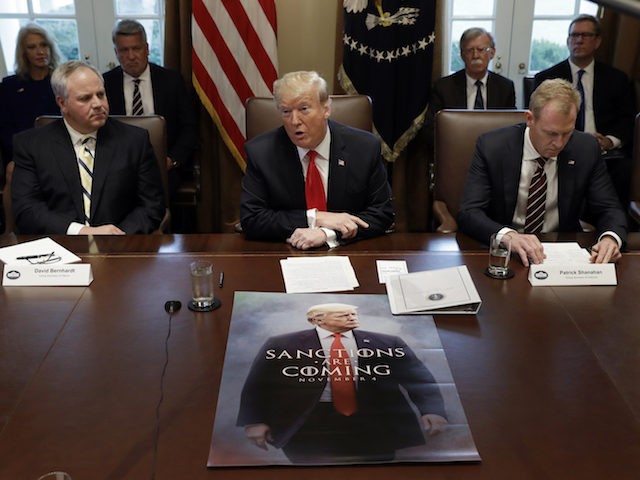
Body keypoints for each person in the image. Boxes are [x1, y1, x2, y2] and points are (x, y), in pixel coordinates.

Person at [236, 303, 447, 463]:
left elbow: (417, 377)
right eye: (343, 315)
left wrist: (433, 410)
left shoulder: (387, 342)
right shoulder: (282, 344)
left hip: (374, 423)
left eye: (353, 314)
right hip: (306, 423)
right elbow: (258, 385)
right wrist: (254, 421)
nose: (352, 317)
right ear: (318, 320)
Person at [457, 78, 627, 265]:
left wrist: (610, 238)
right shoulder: (492, 147)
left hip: (562, 254)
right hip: (506, 254)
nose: (560, 143)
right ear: (530, 119)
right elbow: (469, 212)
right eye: (551, 133)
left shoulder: (586, 148)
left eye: (567, 132)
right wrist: (508, 235)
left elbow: (609, 207)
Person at [240, 71, 394, 249]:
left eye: (304, 109)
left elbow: (382, 213)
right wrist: (315, 217)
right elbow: (252, 219)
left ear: (326, 109)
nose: (294, 121)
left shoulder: (364, 147)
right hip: (286, 252)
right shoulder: (261, 152)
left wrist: (327, 233)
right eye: (286, 112)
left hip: (349, 251)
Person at [12, 61, 165, 235]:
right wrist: (81, 231)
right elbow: (27, 210)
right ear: (62, 103)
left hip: (120, 248)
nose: (98, 104)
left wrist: (118, 235)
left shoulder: (134, 141)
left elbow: (152, 206)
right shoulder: (31, 145)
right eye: (85, 98)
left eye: (101, 94)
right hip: (59, 247)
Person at [534, 14, 635, 207]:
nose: (579, 40)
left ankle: (612, 227)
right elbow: (540, 122)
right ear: (567, 40)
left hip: (606, 153)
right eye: (574, 35)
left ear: (597, 41)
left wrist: (608, 141)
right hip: (562, 147)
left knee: (625, 169)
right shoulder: (546, 78)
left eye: (586, 35)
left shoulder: (617, 78)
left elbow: (627, 119)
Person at [103, 19, 197, 200]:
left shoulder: (171, 80)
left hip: (165, 164)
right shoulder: (105, 84)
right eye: (124, 50)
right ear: (116, 53)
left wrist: (172, 159)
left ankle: (156, 227)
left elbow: (189, 128)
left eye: (136, 48)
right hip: (119, 164)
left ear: (146, 49)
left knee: (155, 193)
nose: (131, 56)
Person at [425, 27, 516, 144]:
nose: (475, 55)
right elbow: (430, 129)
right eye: (469, 50)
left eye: (481, 49)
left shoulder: (505, 87)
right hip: (455, 147)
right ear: (462, 55)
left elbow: (511, 126)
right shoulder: (444, 87)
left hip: (493, 150)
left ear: (492, 53)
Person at [0, 23, 61, 171]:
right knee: (12, 171)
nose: (40, 51)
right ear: (23, 53)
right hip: (23, 154)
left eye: (44, 45)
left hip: (60, 150)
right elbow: (5, 131)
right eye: (32, 47)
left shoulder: (62, 81)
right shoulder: (9, 86)